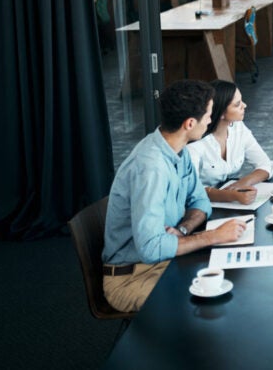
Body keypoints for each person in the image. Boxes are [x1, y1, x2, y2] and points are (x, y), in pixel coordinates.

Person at [102, 80, 246, 312]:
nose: (211, 120)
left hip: (163, 261)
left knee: (233, 283)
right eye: (208, 115)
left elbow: (200, 202)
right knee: (213, 302)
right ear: (190, 123)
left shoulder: (177, 148)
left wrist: (184, 229)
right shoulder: (152, 168)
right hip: (132, 277)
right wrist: (213, 236)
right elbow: (150, 249)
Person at [186, 80, 273, 204]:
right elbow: (191, 190)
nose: (245, 105)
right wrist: (230, 195)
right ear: (221, 112)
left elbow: (265, 164)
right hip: (200, 206)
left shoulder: (238, 127)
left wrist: (242, 183)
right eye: (237, 104)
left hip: (230, 202)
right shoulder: (195, 143)